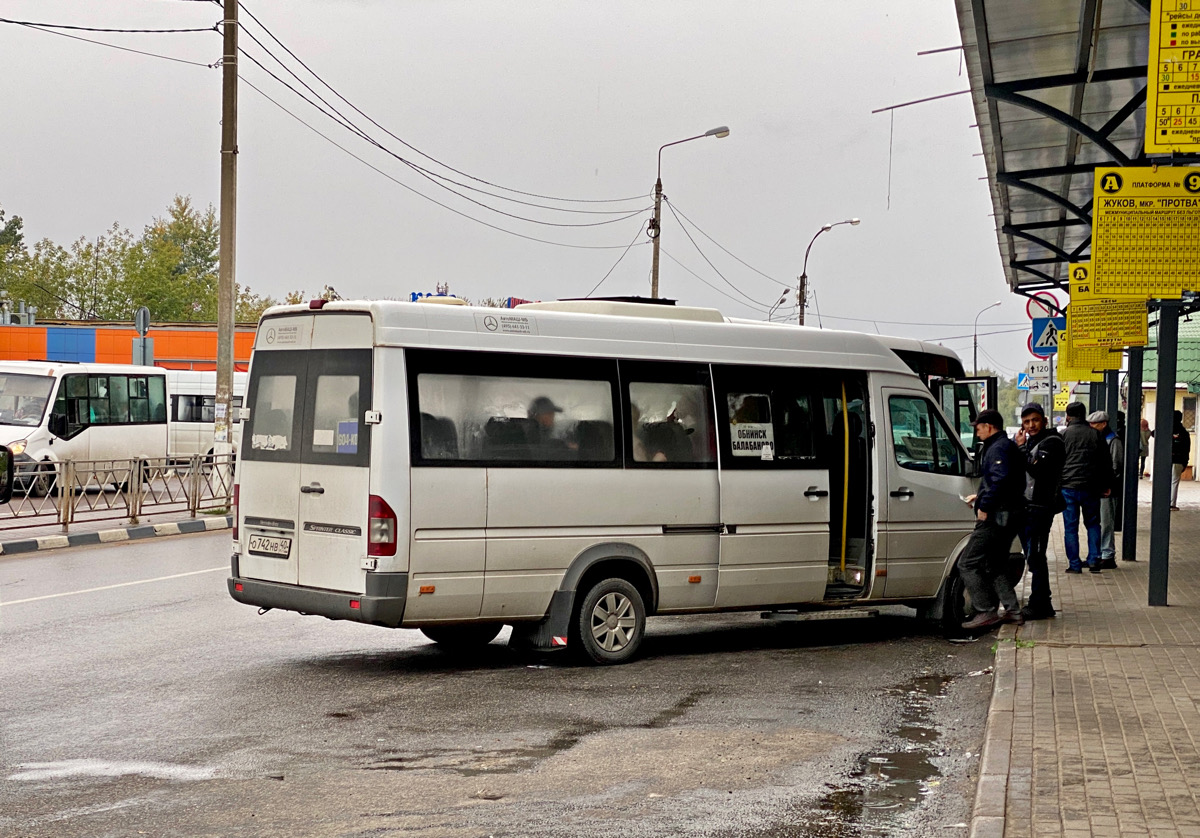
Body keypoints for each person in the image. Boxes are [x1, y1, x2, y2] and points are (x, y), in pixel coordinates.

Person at [959, 409, 1026, 630]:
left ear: (989, 426)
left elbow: (1000, 480)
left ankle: (985, 611)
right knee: (994, 564)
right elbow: (1005, 482)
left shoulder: (998, 447)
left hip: (997, 517)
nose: (977, 433)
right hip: (1009, 514)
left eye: (978, 428)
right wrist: (981, 495)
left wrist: (984, 506)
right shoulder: (1003, 446)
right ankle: (1012, 610)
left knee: (967, 562)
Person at [1013, 402, 1064, 620]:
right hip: (1028, 507)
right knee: (1033, 556)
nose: (1031, 425)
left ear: (1044, 420)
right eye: (1026, 422)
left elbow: (1037, 469)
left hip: (1041, 508)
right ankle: (1042, 600)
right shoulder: (1032, 442)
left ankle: (1041, 603)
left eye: (1035, 420)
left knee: (1036, 556)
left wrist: (1022, 449)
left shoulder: (1052, 443)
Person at [1059, 401, 1112, 573]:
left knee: (1070, 527)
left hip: (1068, 487)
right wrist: (1106, 484)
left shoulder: (1063, 435)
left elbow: (1057, 463)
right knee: (1093, 524)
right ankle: (1094, 560)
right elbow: (1106, 462)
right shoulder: (1096, 435)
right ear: (1084, 415)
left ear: (1068, 416)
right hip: (1091, 487)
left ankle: (1074, 565)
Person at [1088, 410, 1123, 569]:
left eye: (1094, 424)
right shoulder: (1099, 438)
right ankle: (1100, 553)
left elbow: (1116, 466)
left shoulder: (1113, 440)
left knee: (1106, 522)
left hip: (1108, 489)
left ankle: (1108, 555)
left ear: (1103, 424)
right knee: (1100, 521)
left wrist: (1108, 484)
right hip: (1098, 487)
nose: (1091, 426)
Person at [1171, 409, 1190, 510]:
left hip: (1165, 459)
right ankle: (1172, 503)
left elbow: (1153, 433)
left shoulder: (1166, 429)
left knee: (1165, 481)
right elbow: (1187, 448)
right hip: (1178, 459)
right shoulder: (1184, 432)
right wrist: (1185, 462)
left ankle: (1162, 501)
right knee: (1174, 482)